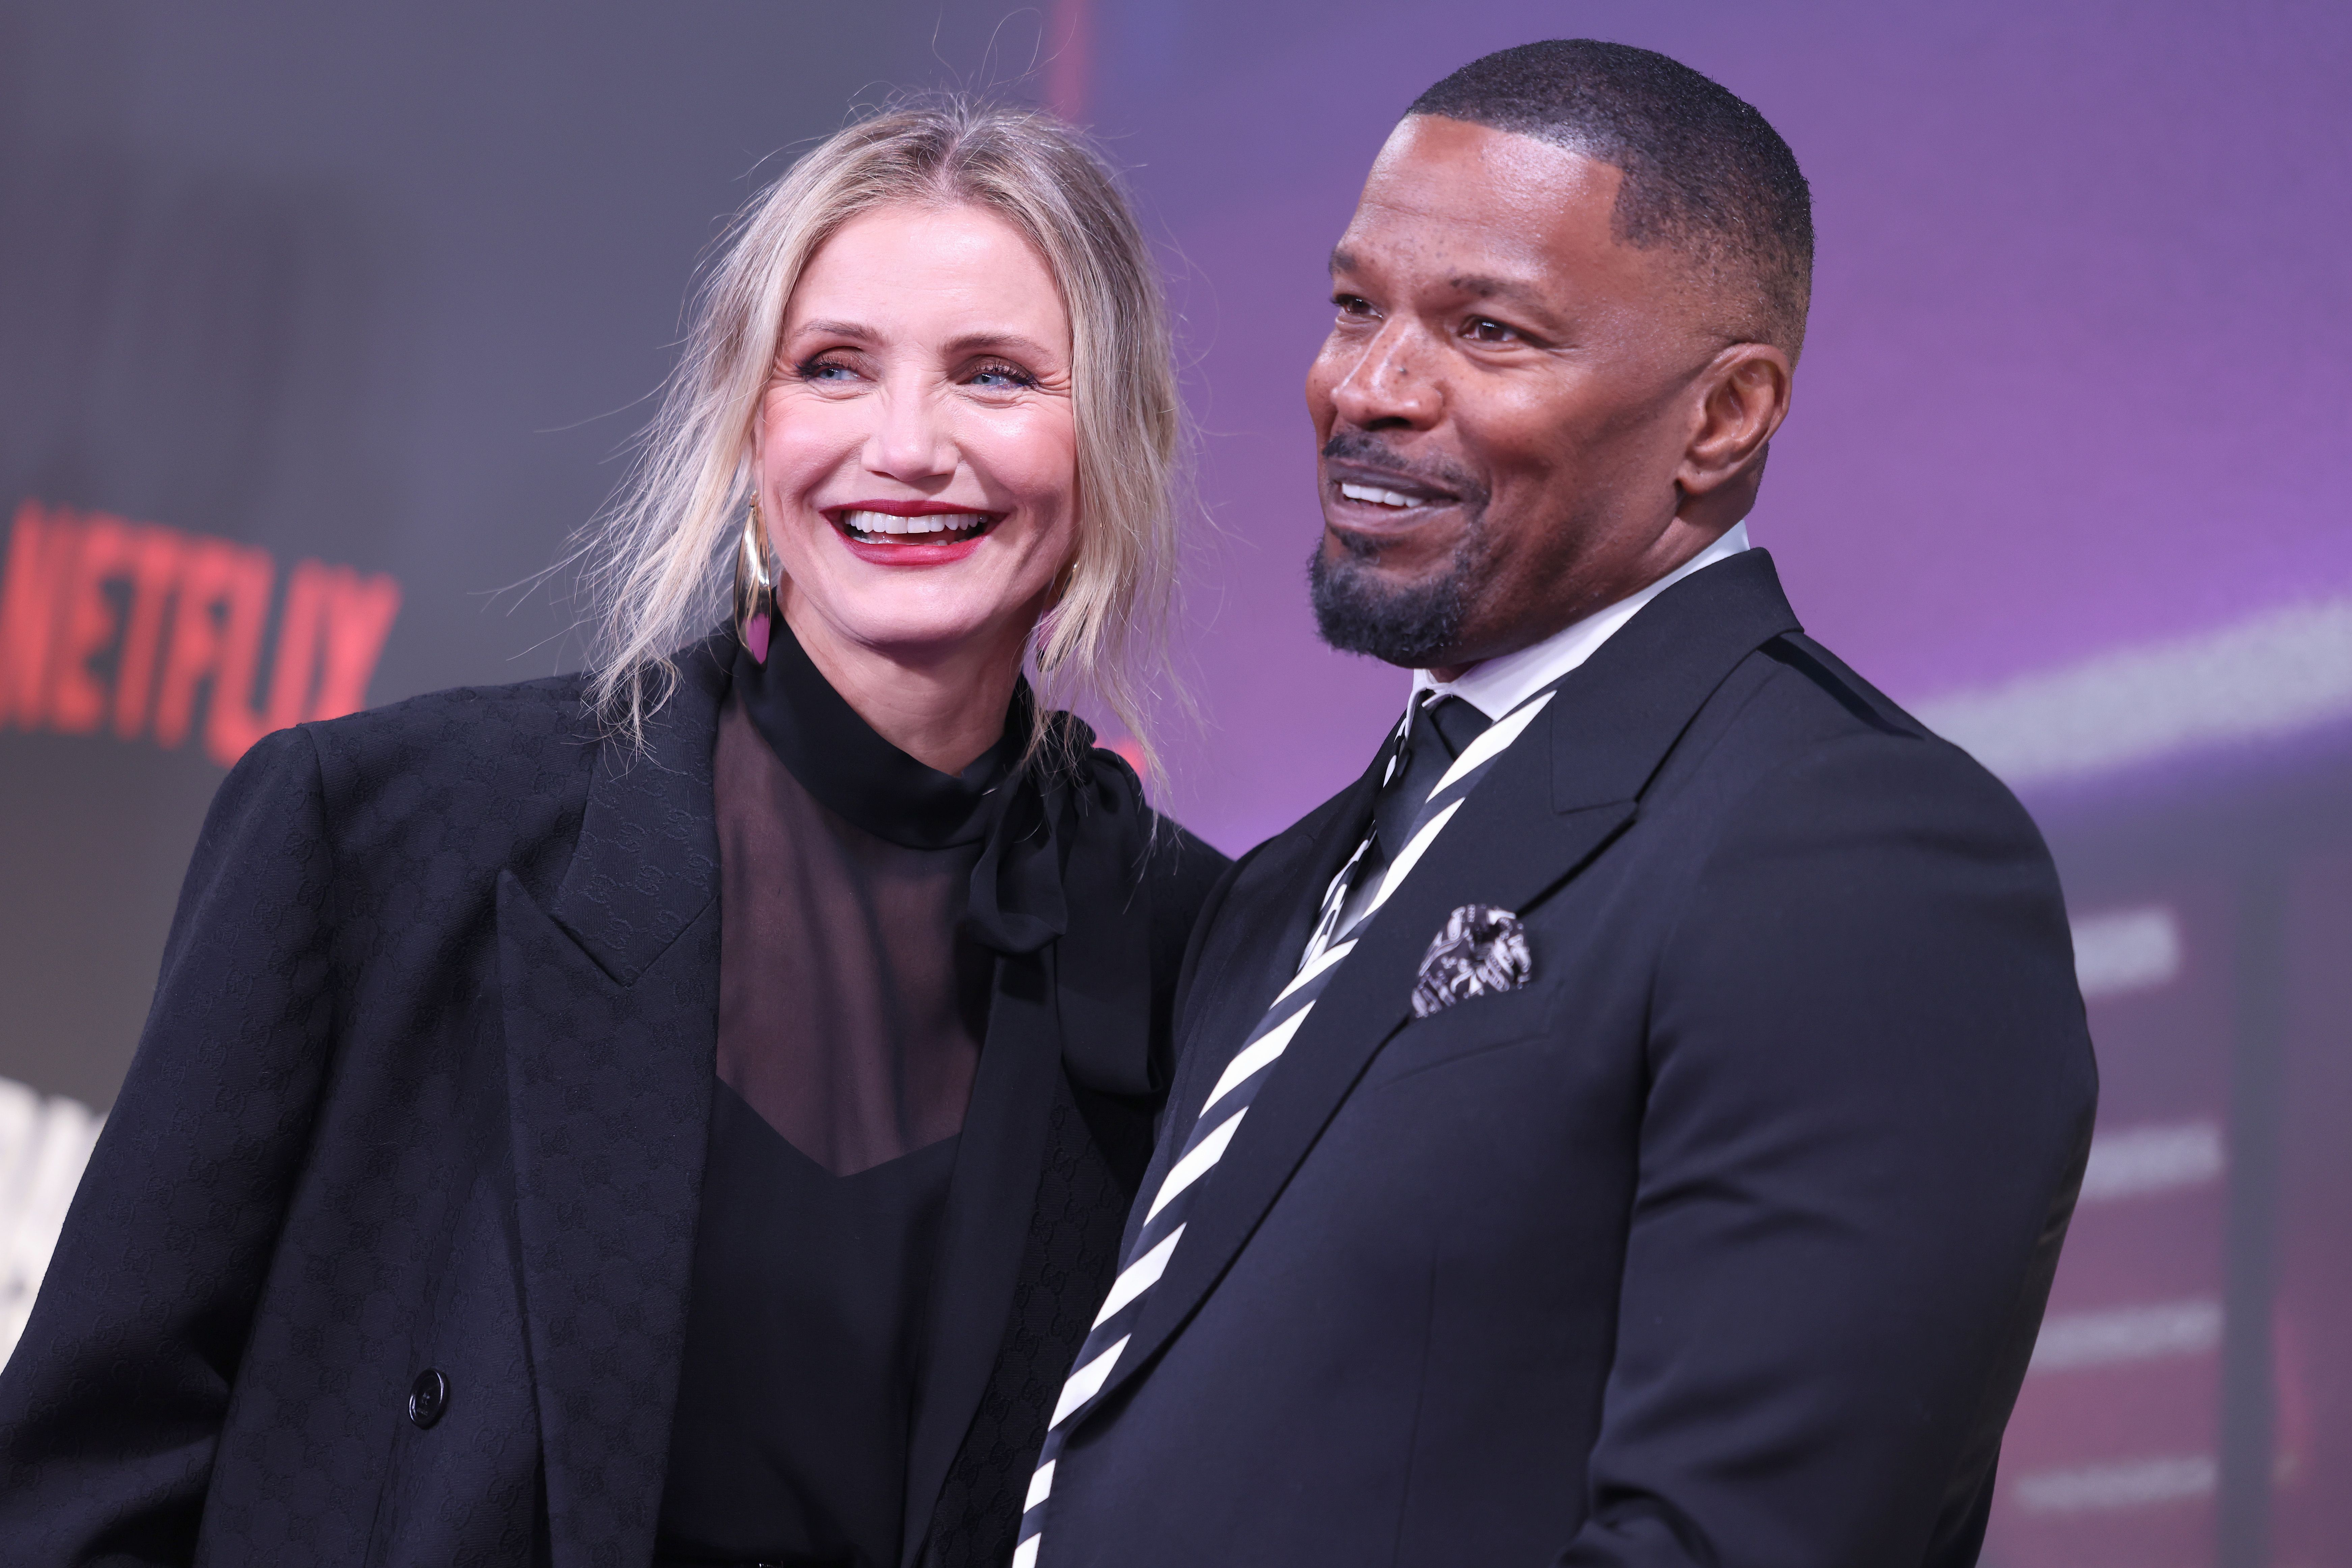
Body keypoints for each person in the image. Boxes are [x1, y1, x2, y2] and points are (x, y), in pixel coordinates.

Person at [0, 99, 1226, 1568]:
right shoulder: (388, 838)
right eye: (834, 367)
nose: (907, 445)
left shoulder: (1184, 952)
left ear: (1109, 440)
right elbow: (80, 1478)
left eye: (996, 376)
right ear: (748, 423)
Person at [1019, 41, 2096, 1568]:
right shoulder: (1280, 893)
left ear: (1723, 417)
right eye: (1354, 305)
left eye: (1489, 330)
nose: (1369, 389)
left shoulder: (1857, 853)